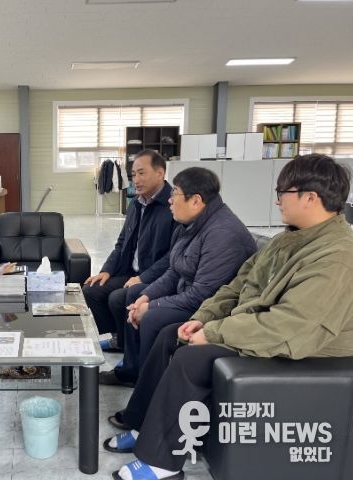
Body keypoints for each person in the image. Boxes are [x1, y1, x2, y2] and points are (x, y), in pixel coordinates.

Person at [105, 154, 353, 480]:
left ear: (311, 197)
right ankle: (142, 424)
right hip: (258, 327)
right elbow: (237, 285)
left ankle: (162, 462)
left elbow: (291, 326)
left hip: (299, 347)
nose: (277, 200)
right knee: (170, 335)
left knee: (190, 359)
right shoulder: (287, 239)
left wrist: (215, 333)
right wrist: (204, 318)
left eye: (283, 192)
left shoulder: (336, 255)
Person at [99, 167, 256, 387]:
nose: (170, 200)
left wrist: (152, 306)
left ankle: (150, 388)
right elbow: (174, 271)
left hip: (210, 307)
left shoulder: (222, 234)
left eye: (175, 193)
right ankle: (133, 371)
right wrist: (146, 296)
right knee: (134, 294)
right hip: (189, 293)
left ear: (196, 201)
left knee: (152, 317)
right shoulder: (190, 225)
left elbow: (203, 294)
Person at [83, 150, 176, 353]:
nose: (136, 180)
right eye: (134, 174)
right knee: (91, 289)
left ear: (160, 173)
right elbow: (122, 242)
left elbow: (174, 255)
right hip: (130, 272)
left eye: (142, 173)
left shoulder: (173, 205)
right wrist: (107, 270)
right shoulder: (136, 203)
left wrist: (143, 277)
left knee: (118, 298)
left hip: (158, 277)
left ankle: (131, 346)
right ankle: (119, 337)